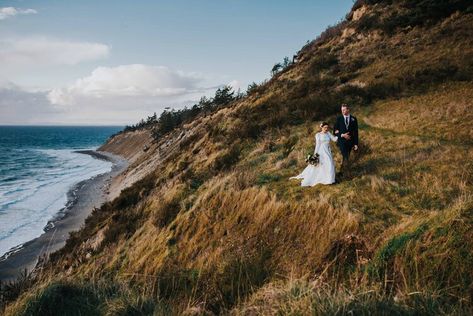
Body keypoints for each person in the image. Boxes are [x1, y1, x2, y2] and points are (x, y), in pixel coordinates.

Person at [290, 122, 338, 186]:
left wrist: (340, 134)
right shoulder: (318, 135)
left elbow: (334, 139)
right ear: (321, 127)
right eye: (325, 127)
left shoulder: (328, 133)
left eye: (327, 127)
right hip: (321, 151)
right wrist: (315, 155)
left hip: (327, 151)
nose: (326, 129)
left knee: (329, 164)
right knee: (321, 164)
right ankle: (325, 179)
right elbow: (317, 145)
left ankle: (330, 179)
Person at [333, 103, 358, 177]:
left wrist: (356, 144)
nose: (343, 111)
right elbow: (335, 131)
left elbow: (356, 132)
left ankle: (341, 172)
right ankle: (348, 173)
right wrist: (342, 135)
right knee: (345, 155)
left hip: (350, 142)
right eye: (342, 110)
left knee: (346, 157)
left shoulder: (353, 119)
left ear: (348, 109)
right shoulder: (339, 118)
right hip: (342, 141)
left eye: (344, 110)